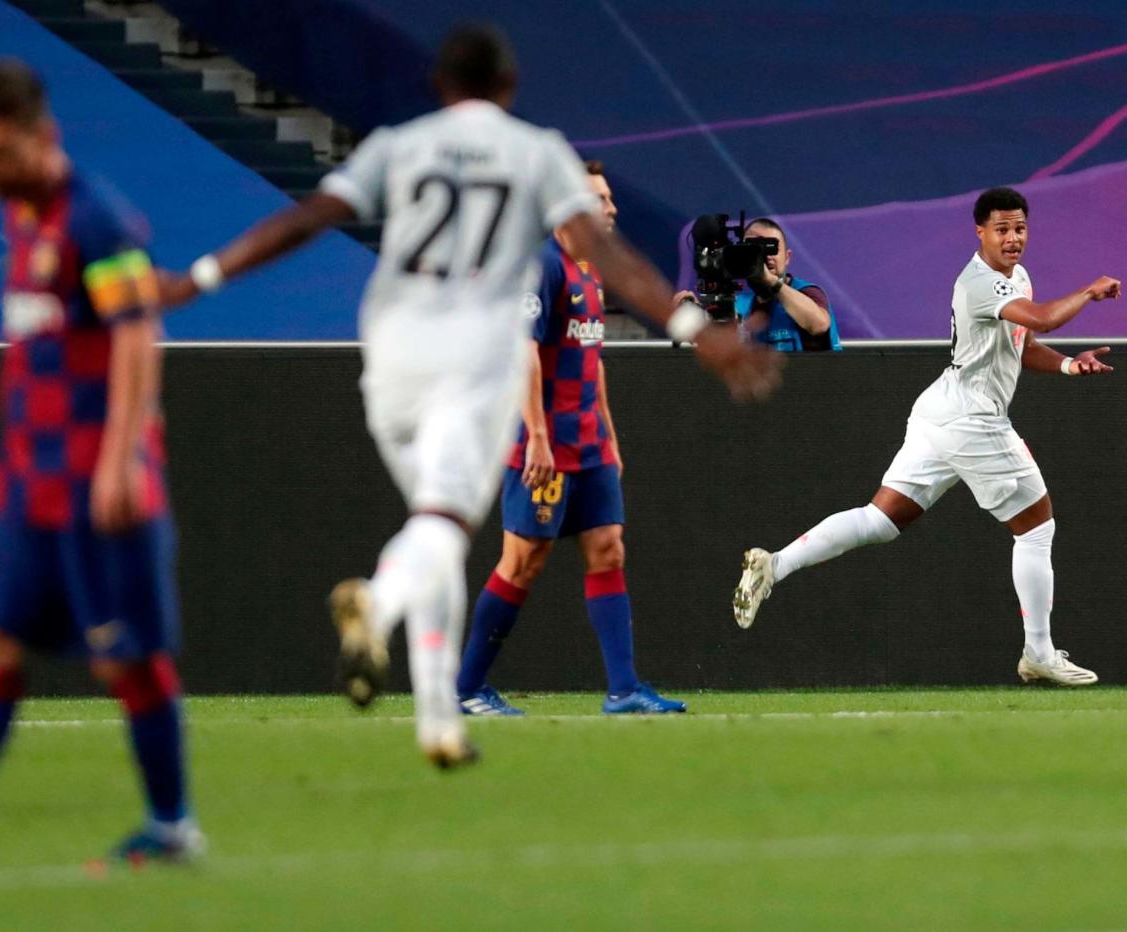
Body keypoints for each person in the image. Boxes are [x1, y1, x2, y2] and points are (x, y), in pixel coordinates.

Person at [157, 24, 781, 768]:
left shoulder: (399, 143)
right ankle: (377, 605)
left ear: (439, 87)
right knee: (443, 530)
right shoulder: (535, 151)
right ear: (509, 86)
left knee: (438, 527)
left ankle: (439, 723)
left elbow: (306, 219)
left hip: (390, 353)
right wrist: (695, 329)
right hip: (470, 360)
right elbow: (609, 251)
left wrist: (196, 278)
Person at [0, 60, 201, 872]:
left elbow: (137, 332)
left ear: (45, 137)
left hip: (101, 484)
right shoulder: (22, 218)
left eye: (2, 157)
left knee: (124, 658)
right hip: (28, 484)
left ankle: (171, 826)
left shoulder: (98, 222)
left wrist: (124, 457)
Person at [732, 186, 1117, 686]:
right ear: (980, 232)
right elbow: (1042, 317)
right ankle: (1038, 653)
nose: (1012, 238)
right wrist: (1088, 292)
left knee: (879, 520)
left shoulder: (1015, 276)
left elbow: (1021, 343)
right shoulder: (980, 282)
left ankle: (774, 564)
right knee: (1036, 529)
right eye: (1001, 229)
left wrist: (1068, 364)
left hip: (941, 410)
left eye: (1019, 228)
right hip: (973, 420)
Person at [456, 160, 685, 716]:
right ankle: (463, 689)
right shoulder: (542, 265)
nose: (611, 208)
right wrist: (536, 436)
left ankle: (624, 689)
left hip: (589, 445)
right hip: (546, 444)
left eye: (608, 199)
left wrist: (607, 431)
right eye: (599, 199)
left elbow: (591, 358)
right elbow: (523, 353)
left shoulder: (590, 267)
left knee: (608, 548)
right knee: (523, 561)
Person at [675, 216, 840, 351]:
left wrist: (770, 281)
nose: (764, 256)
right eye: (753, 248)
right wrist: (690, 314)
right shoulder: (738, 304)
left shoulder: (808, 293)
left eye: (771, 248)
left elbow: (819, 324)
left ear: (787, 257)